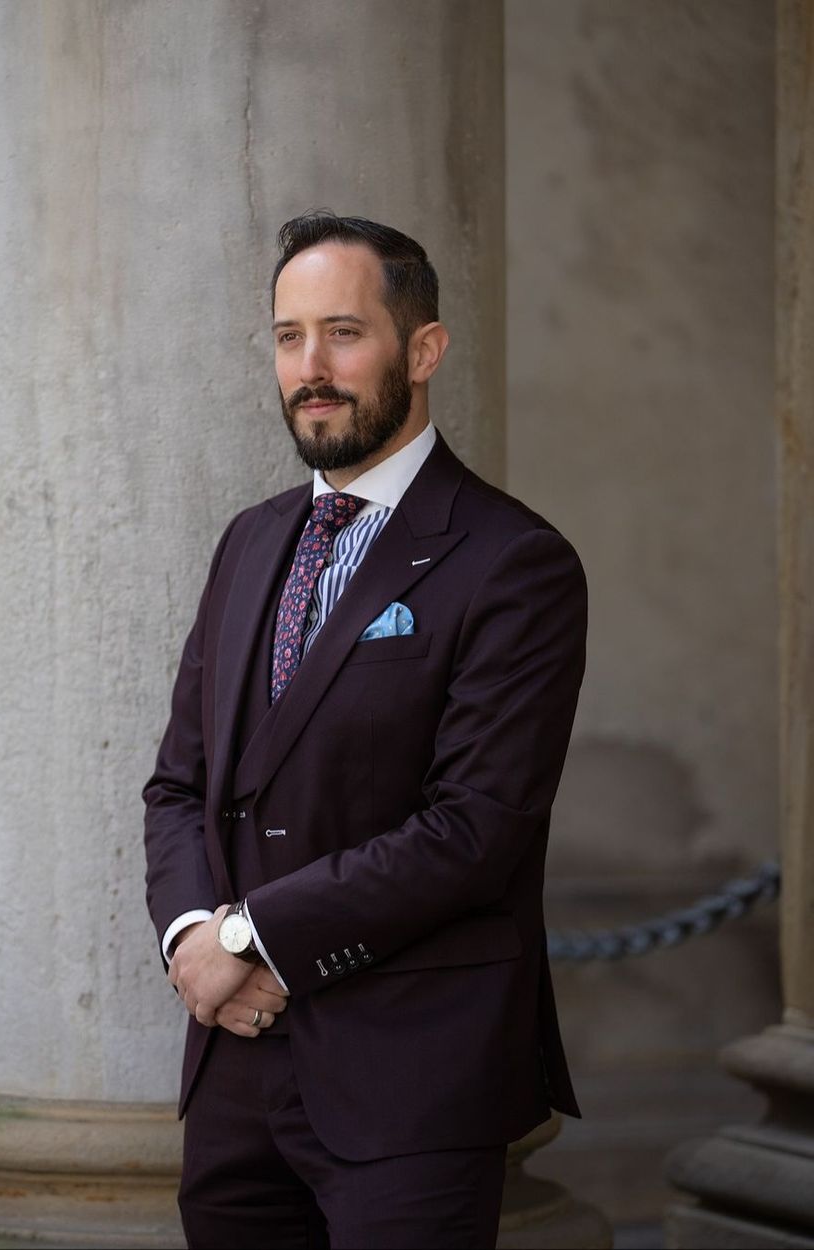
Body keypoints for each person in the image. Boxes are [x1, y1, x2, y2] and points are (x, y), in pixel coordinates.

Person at [142, 212, 586, 1250]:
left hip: (410, 1084)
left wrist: (246, 935)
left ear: (421, 349)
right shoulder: (249, 542)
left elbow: (474, 829)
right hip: (235, 1072)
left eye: (343, 333)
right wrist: (187, 943)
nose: (312, 368)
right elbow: (177, 785)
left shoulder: (513, 560)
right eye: (290, 337)